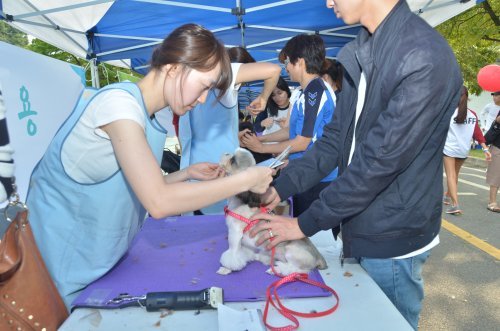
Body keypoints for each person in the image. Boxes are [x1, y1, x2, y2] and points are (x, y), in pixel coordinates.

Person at [248, 1, 462, 330]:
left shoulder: (423, 55)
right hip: (356, 222)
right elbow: (334, 140)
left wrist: (303, 224)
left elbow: (379, 162)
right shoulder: (358, 51)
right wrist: (281, 187)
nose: (328, 2)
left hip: (392, 233)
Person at [26, 24, 273, 308]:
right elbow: (157, 201)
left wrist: (186, 174)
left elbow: (131, 186)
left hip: (98, 267)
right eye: (204, 86)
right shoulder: (119, 106)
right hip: (55, 272)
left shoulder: (147, 114)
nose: (204, 99)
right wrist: (246, 179)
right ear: (174, 68)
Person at [240, 34, 338, 217]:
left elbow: (302, 142)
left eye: (287, 63)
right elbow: (290, 132)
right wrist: (261, 139)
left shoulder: (315, 92)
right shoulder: (303, 93)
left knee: (315, 237)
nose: (286, 69)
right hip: (304, 171)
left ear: (299, 62)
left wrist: (261, 147)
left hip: (318, 176)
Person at [178, 46, 281, 215]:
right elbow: (273, 70)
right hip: (216, 177)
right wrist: (263, 98)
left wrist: (233, 137)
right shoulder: (226, 74)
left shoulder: (196, 84)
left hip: (192, 173)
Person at [443, 86, 491, 214]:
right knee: (455, 175)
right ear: (467, 97)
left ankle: (455, 204)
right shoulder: (473, 114)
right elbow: (478, 133)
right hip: (463, 150)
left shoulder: (448, 112)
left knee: (451, 176)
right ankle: (447, 195)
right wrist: (485, 149)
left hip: (449, 149)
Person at [485, 110, 500, 213]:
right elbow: (488, 137)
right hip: (498, 148)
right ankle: (492, 202)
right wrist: (497, 122)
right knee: (495, 175)